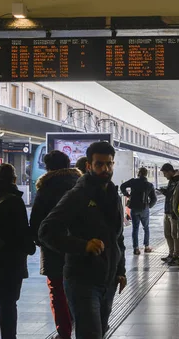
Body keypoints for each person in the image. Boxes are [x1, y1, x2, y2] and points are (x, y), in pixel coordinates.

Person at [39, 141, 127, 339]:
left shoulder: (113, 195)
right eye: (99, 164)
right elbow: (46, 231)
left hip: (108, 280)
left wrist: (120, 270)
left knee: (100, 333)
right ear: (89, 166)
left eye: (109, 164)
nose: (105, 169)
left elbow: (117, 238)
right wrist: (83, 245)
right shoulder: (77, 195)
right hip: (82, 280)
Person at [0, 163, 36, 339]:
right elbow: (21, 231)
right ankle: (9, 336)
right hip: (10, 261)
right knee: (8, 302)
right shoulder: (14, 200)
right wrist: (30, 247)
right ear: (14, 179)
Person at [30, 150, 81, 339]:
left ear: (49, 168)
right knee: (79, 289)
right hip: (79, 247)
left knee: (57, 291)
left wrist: (39, 240)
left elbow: (36, 222)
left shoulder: (46, 188)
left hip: (53, 248)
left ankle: (64, 333)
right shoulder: (80, 185)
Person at [121, 167, 157, 255]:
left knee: (135, 229)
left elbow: (122, 186)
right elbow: (154, 199)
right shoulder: (149, 185)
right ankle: (147, 247)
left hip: (134, 208)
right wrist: (149, 206)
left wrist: (127, 195)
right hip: (144, 208)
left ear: (139, 173)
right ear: (146, 174)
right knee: (146, 228)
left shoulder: (133, 181)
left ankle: (136, 249)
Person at [158, 163, 179, 265]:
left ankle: (176, 256)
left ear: (170, 172)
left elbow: (174, 196)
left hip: (174, 213)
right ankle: (171, 254)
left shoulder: (178, 181)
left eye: (165, 173)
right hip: (167, 211)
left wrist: (165, 192)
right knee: (167, 234)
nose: (164, 176)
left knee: (175, 235)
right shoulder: (171, 181)